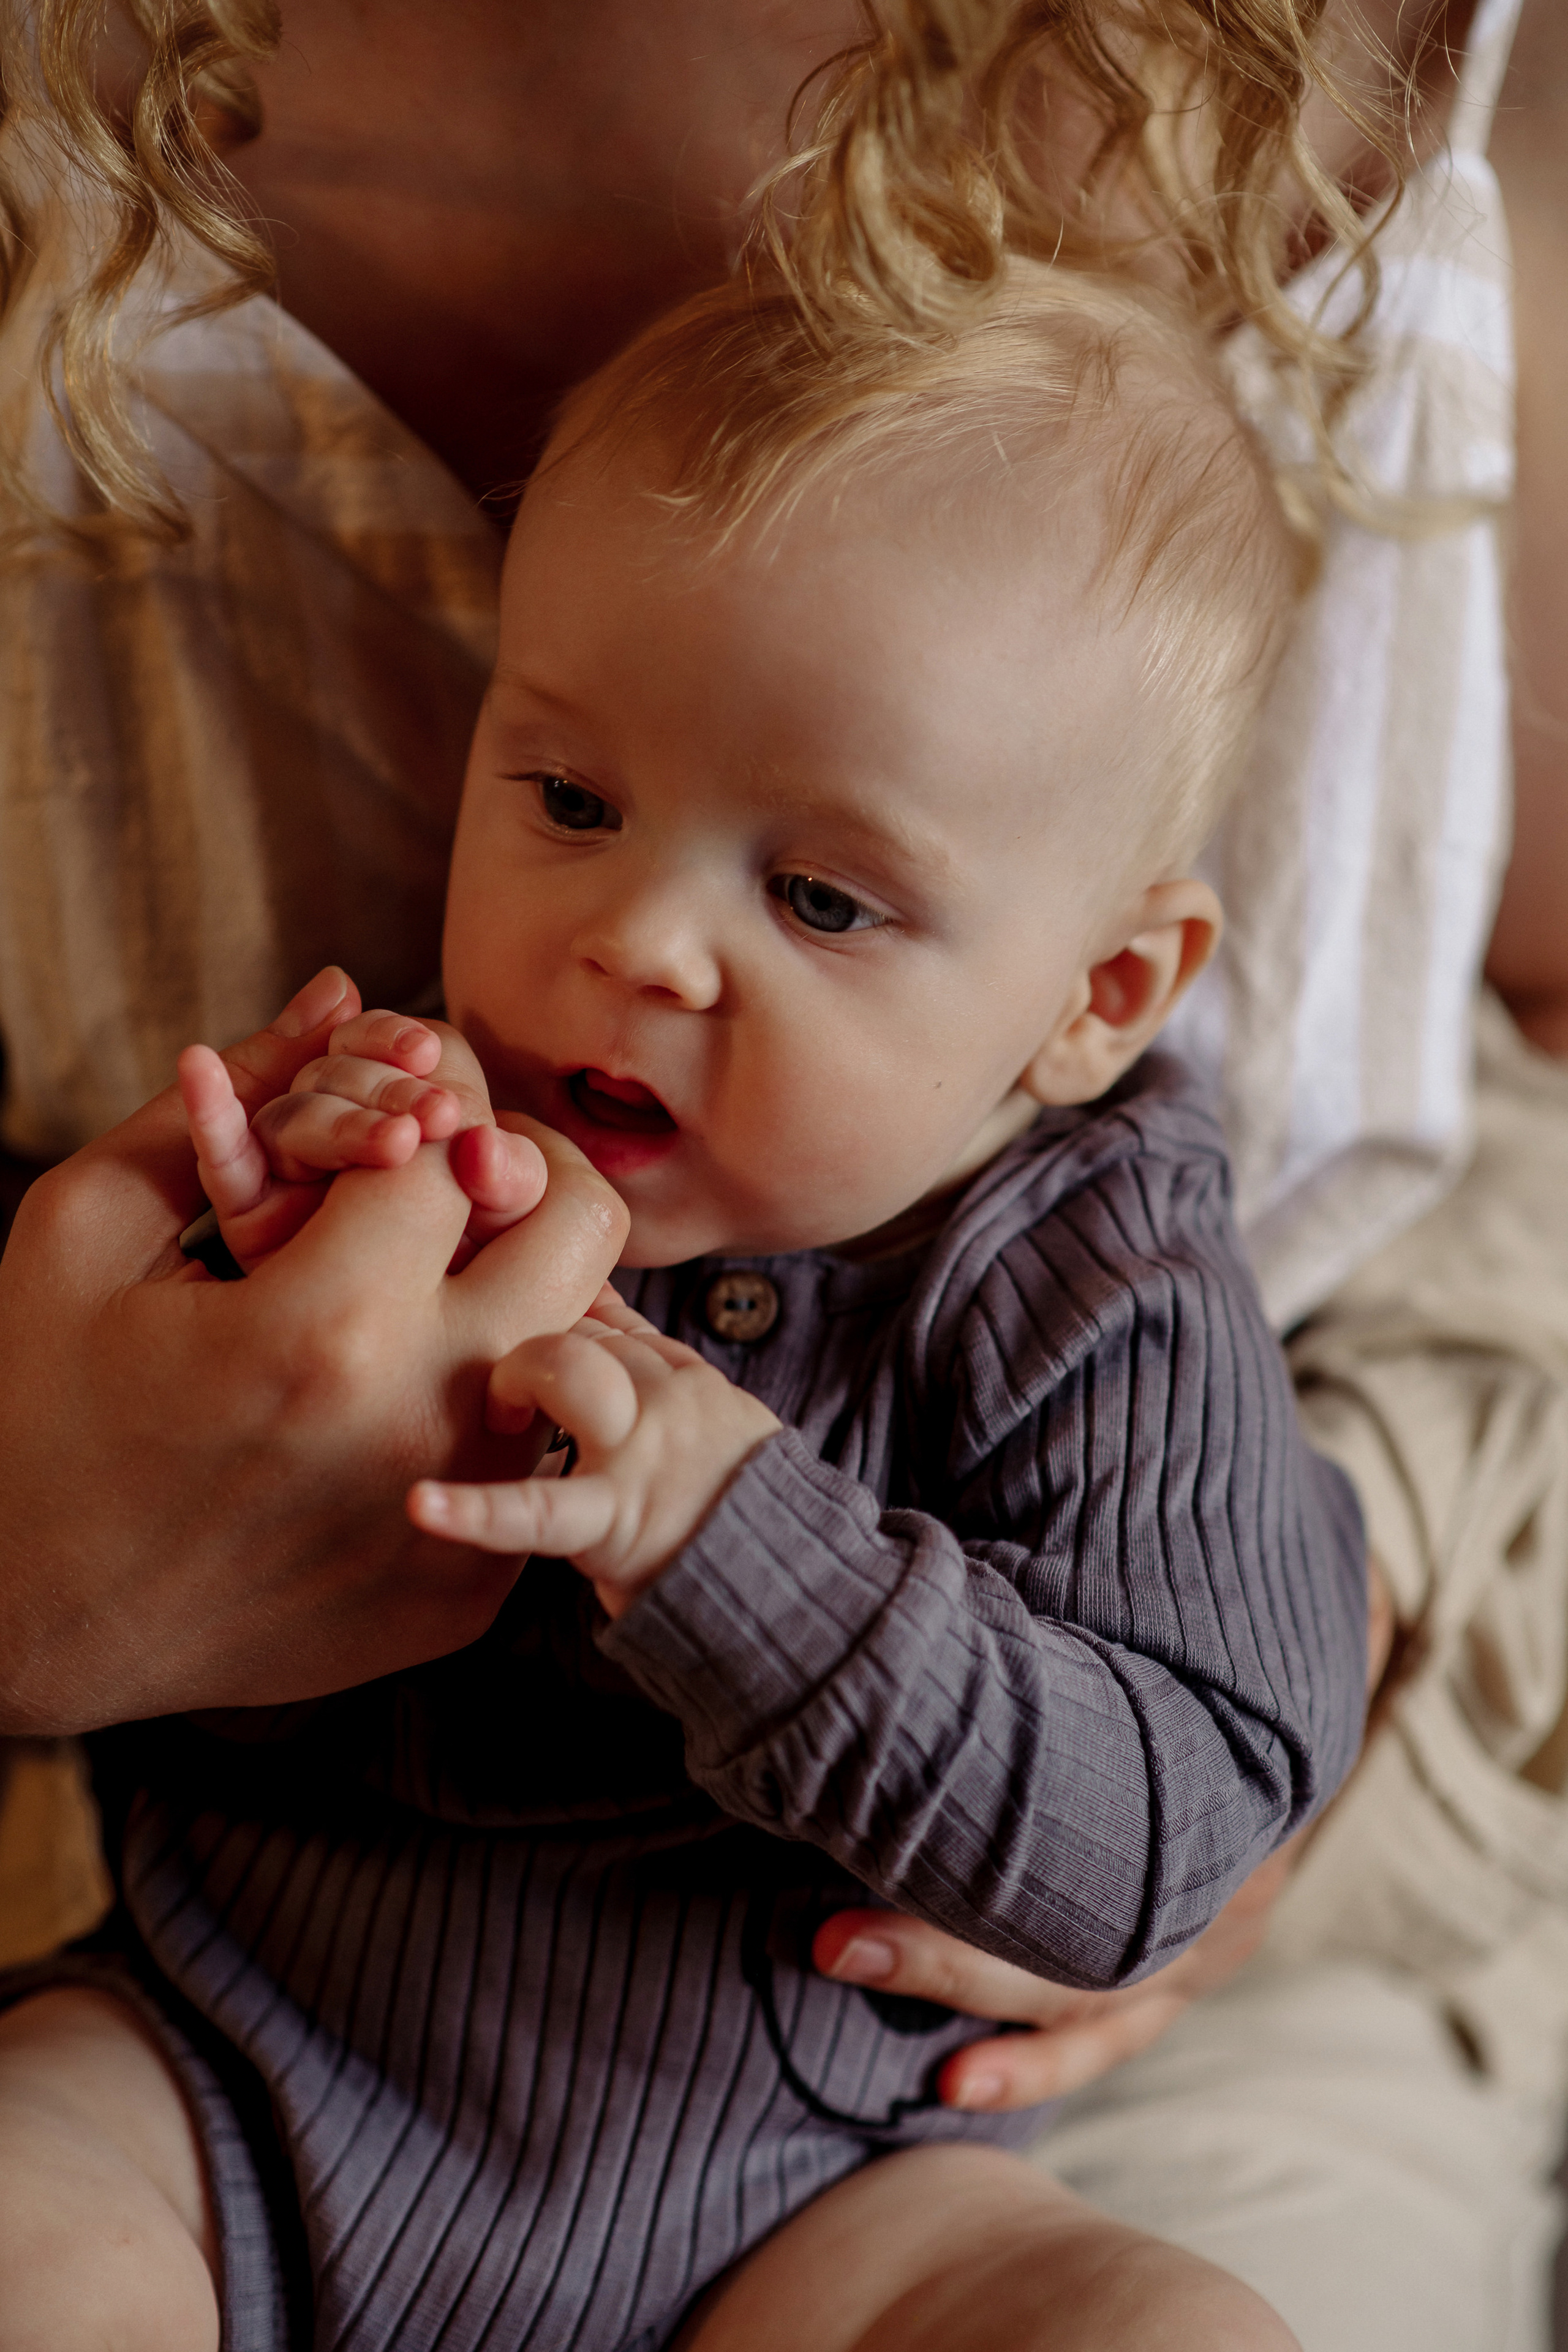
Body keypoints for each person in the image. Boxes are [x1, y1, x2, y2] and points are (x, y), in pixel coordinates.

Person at [0, 0, 1563, 2344]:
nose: (633, 942)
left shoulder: (1100, 1277)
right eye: (565, 801)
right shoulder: (395, 1120)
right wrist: (233, 1243)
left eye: (821, 904)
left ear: (1098, 998)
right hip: (231, 2073)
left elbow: (1171, 1826)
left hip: (834, 2184)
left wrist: (726, 1532)